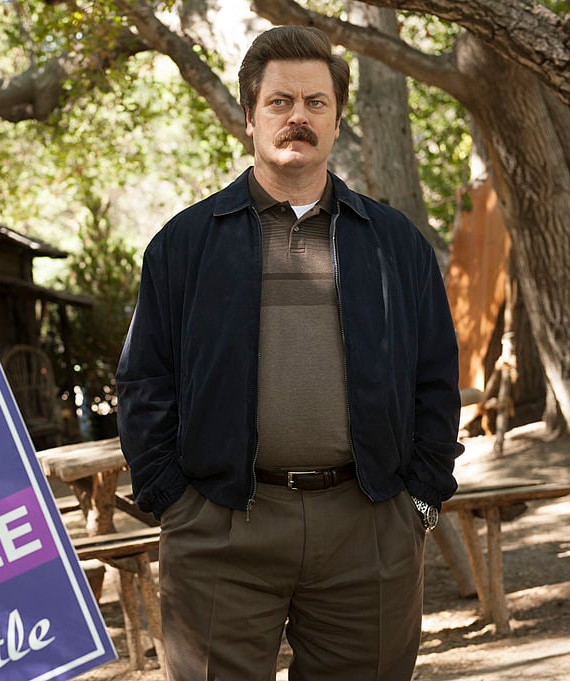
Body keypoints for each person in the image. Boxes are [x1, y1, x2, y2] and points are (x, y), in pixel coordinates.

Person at [116, 26, 464, 681]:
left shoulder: (395, 244)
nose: (297, 116)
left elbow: (435, 379)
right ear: (249, 118)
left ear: (337, 119)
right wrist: (176, 504)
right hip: (223, 525)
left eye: (315, 102)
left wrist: (418, 499)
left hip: (366, 525)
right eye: (279, 102)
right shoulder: (184, 245)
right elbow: (143, 380)